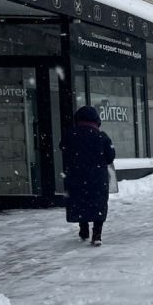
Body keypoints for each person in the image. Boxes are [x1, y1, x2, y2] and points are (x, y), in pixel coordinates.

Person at [60, 105, 115, 246]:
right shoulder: (102, 137)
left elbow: (63, 148)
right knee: (98, 203)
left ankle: (83, 229)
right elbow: (110, 157)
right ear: (96, 120)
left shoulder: (69, 134)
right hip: (97, 178)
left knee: (79, 201)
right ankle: (97, 234)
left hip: (75, 176)